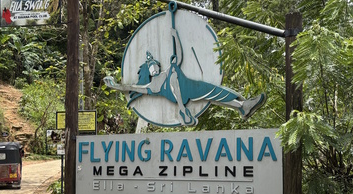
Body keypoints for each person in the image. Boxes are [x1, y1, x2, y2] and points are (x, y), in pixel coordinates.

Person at [104, 21, 264, 126]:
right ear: (150, 70)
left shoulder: (169, 68)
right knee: (173, 74)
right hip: (176, 96)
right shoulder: (149, 87)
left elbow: (179, 55)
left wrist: (176, 36)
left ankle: (242, 106)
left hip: (189, 87)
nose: (155, 68)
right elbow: (129, 87)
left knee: (212, 92)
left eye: (155, 65)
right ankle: (182, 110)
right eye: (152, 67)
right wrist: (115, 86)